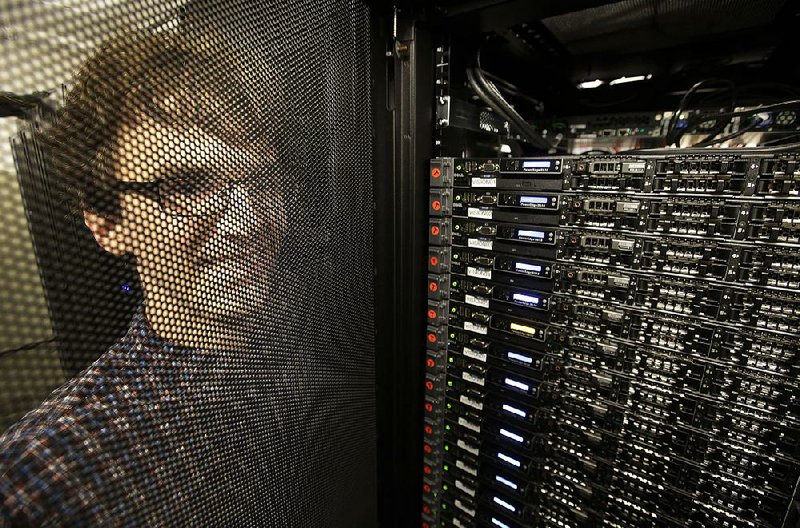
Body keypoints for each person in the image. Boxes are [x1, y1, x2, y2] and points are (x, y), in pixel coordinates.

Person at [0, 23, 298, 526]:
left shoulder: (324, 357)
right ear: (106, 223)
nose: (249, 220)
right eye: (185, 184)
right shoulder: (40, 474)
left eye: (262, 178)